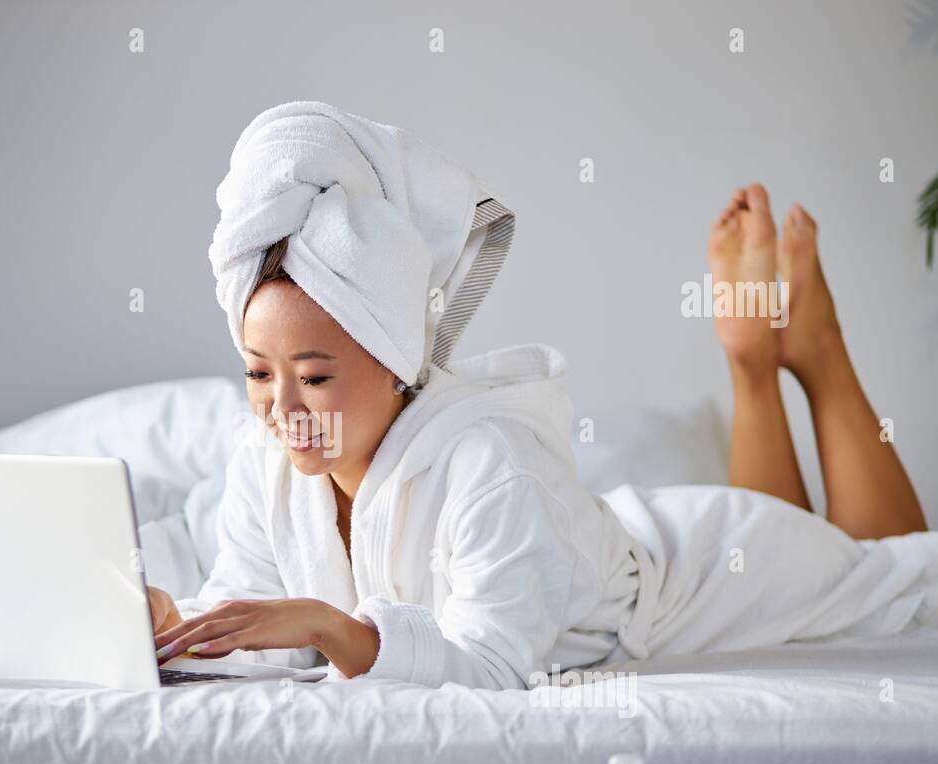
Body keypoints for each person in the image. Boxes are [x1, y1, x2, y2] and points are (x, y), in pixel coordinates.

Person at [148, 104, 937, 691]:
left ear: (395, 361)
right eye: (257, 373)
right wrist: (171, 628)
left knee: (903, 577)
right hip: (613, 545)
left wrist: (331, 626)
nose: (281, 407)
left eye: (314, 376)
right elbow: (250, 622)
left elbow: (493, 667)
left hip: (695, 578)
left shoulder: (485, 458)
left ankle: (813, 353)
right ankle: (762, 363)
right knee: (868, 560)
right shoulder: (267, 463)